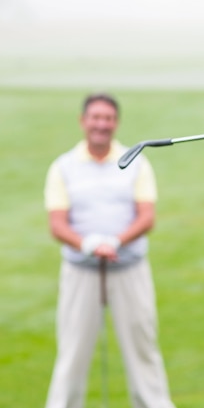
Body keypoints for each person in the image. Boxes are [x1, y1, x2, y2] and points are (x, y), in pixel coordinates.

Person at [43, 93, 176, 408]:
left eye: (108, 119)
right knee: (72, 352)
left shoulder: (135, 162)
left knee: (143, 351)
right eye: (95, 118)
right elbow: (57, 224)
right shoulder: (63, 167)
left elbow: (146, 217)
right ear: (83, 121)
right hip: (80, 270)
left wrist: (115, 242)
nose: (101, 124)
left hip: (129, 268)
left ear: (115, 123)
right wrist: (88, 244)